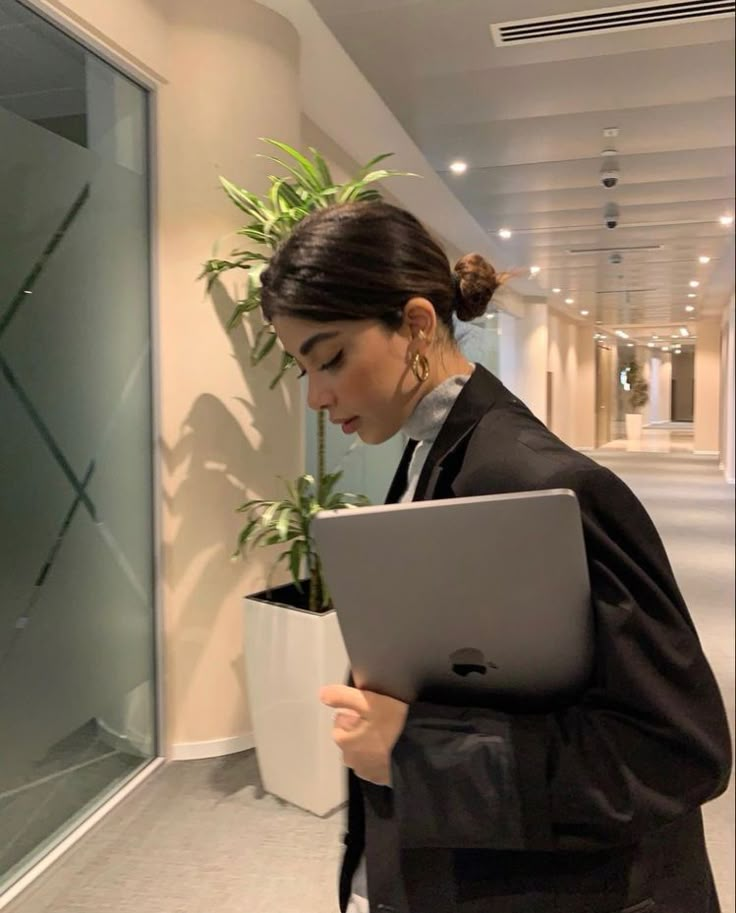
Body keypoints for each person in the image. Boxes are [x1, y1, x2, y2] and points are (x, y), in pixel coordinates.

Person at [259, 200, 732, 913]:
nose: (317, 395)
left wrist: (415, 752)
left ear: (416, 323)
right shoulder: (428, 451)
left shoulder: (545, 483)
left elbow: (677, 750)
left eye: (330, 358)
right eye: (303, 367)